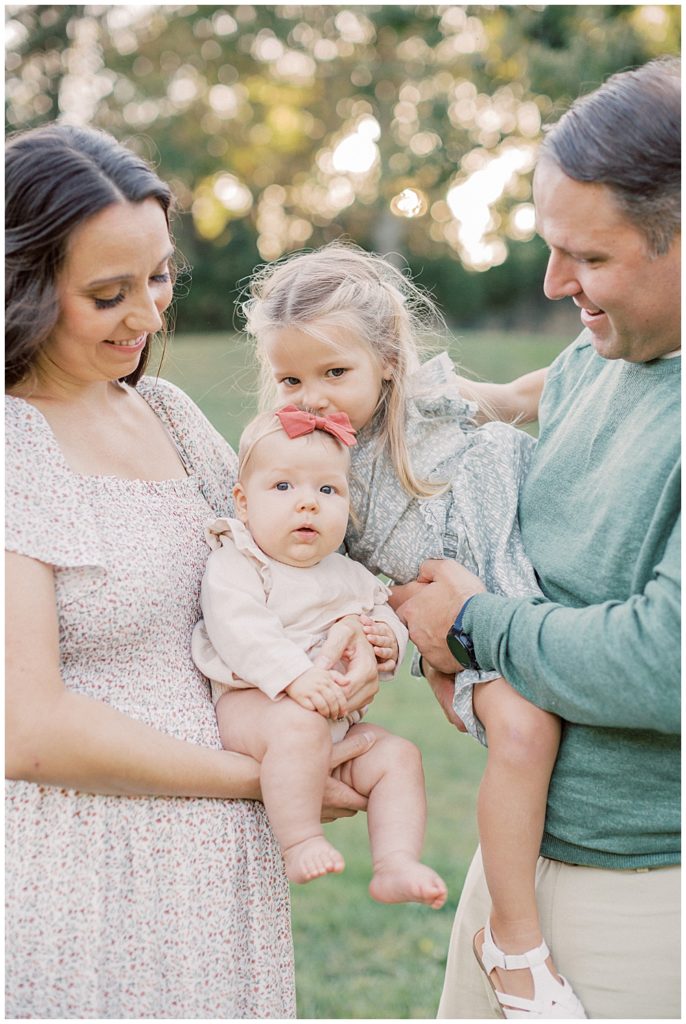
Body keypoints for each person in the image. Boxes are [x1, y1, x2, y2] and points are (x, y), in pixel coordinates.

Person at [5, 123, 382, 1019]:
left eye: (159, 276)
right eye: (108, 294)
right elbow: (28, 730)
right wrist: (275, 780)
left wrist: (357, 644)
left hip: (217, 873)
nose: (149, 315)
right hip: (86, 868)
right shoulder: (13, 445)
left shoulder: (166, 413)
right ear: (21, 289)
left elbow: (279, 559)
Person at [391, 56, 681, 1019]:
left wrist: (473, 624)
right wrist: (465, 400)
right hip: (519, 866)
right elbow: (547, 392)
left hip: (642, 895)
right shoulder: (611, 349)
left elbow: (664, 661)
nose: (557, 283)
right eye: (553, 249)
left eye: (590, 259)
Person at [240, 241, 586, 1017]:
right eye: (293, 378)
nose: (315, 397)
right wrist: (372, 638)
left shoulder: (432, 398)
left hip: (539, 582)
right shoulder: (308, 461)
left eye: (336, 374)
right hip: (458, 628)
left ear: (389, 358)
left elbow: (524, 392)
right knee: (526, 732)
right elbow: (313, 573)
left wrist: (596, 370)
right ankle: (513, 940)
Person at [191, 406, 448, 907]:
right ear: (244, 503)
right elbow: (240, 628)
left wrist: (387, 639)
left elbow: (383, 609)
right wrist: (295, 678)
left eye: (327, 490)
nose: (307, 504)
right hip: (256, 708)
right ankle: (301, 839)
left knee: (398, 756)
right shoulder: (239, 561)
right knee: (299, 726)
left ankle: (395, 861)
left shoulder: (345, 572)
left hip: (333, 723)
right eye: (284, 487)